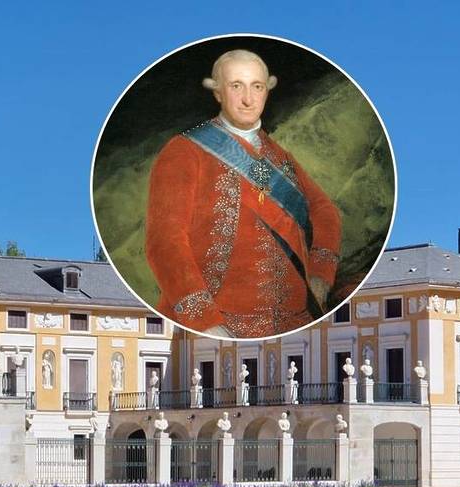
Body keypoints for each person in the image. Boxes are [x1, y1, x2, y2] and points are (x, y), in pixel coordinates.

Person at [146, 49, 341, 338]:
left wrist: (320, 276)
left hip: (294, 324)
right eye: (236, 86)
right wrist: (207, 322)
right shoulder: (184, 150)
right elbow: (165, 240)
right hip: (216, 324)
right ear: (217, 93)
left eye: (257, 87)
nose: (248, 99)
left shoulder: (280, 157)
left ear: (267, 90)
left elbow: (325, 211)